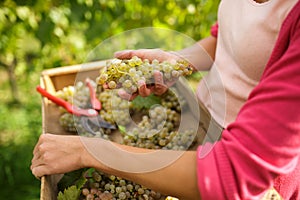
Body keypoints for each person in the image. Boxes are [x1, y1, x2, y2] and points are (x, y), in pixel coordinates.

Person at [31, 0, 300, 199]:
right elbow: (228, 39)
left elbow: (232, 174)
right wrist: (177, 62)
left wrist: (89, 151)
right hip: (201, 122)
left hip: (256, 174)